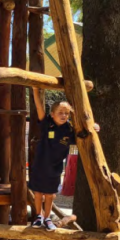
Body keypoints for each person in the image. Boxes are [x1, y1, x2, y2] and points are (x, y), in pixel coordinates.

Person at [30, 92, 99, 231]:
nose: (64, 115)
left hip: (55, 167)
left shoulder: (69, 129)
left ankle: (47, 217)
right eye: (60, 112)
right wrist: (35, 90)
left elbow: (84, 134)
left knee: (50, 194)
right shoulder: (47, 124)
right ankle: (38, 216)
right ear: (53, 114)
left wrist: (94, 127)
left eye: (67, 113)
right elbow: (39, 108)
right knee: (38, 193)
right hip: (39, 165)